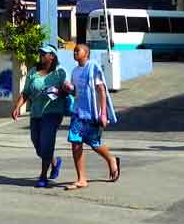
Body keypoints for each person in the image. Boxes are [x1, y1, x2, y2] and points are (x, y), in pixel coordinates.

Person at [63, 43, 119, 190]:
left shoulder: (93, 67)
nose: (75, 52)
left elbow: (101, 90)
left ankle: (111, 159)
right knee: (75, 142)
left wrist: (103, 113)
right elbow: (76, 93)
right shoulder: (74, 71)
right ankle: (81, 179)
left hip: (92, 113)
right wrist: (69, 88)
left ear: (86, 53)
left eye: (78, 50)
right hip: (78, 113)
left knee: (94, 143)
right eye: (74, 51)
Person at [11, 44, 68, 188]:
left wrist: (59, 91)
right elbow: (26, 93)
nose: (41, 55)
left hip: (53, 112)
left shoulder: (59, 72)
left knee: (47, 142)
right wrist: (17, 107)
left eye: (45, 53)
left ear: (52, 56)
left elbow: (67, 90)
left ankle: (43, 175)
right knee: (37, 144)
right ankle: (55, 162)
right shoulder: (33, 72)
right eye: (40, 52)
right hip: (36, 112)